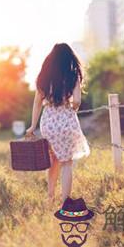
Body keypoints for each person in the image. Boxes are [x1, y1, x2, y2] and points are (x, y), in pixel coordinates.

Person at [26, 43, 90, 204]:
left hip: (48, 123)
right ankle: (65, 202)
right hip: (67, 122)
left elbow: (37, 103)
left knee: (53, 161)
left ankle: (50, 197)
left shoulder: (44, 78)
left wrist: (33, 126)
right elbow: (77, 100)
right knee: (67, 163)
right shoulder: (73, 75)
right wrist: (71, 107)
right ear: (69, 58)